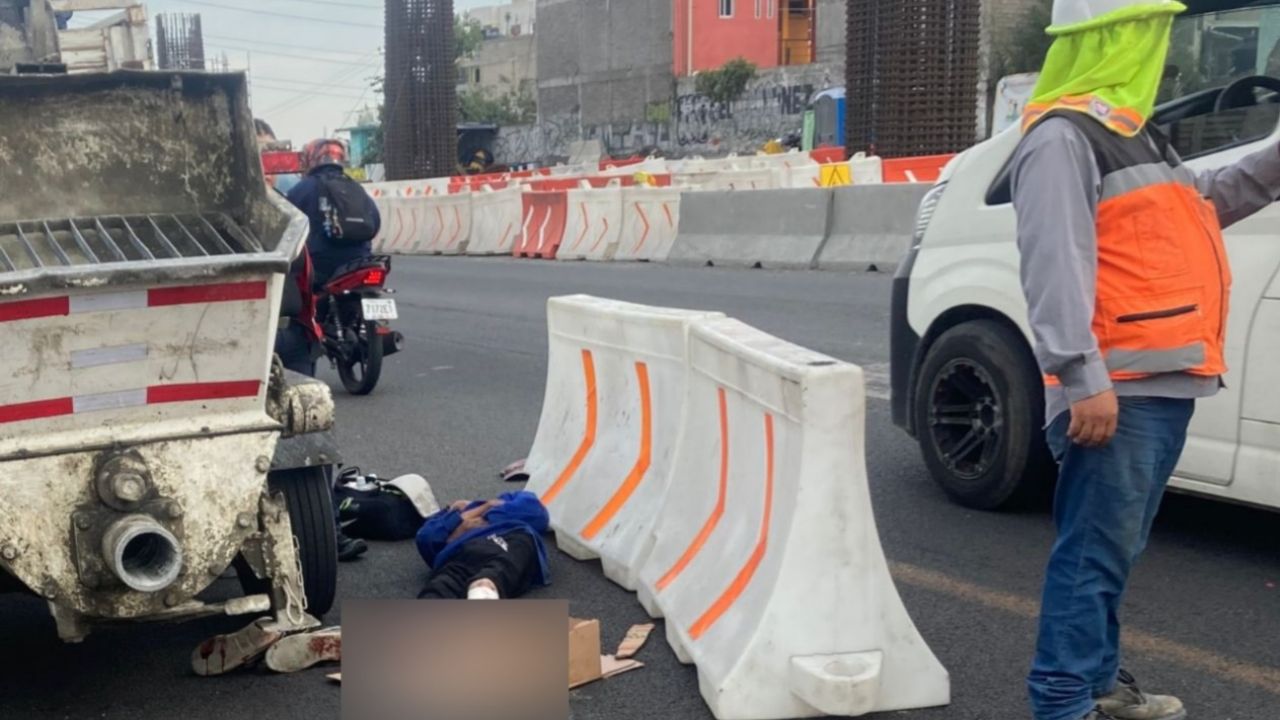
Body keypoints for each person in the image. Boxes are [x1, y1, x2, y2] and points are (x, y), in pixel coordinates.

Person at [1014, 2, 1280, 720]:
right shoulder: (1064, 137)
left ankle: (1097, 686)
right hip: (1118, 388)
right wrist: (1081, 376)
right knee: (1092, 557)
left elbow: (1204, 204)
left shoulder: (1133, 134)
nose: (1163, 52)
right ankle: (1062, 702)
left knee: (1113, 553)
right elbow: (1053, 260)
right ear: (1117, 39)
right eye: (1153, 34)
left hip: (1156, 383)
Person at [416, 492, 549, 600]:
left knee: (497, 572)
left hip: (509, 539)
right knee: (441, 585)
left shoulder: (506, 510)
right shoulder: (450, 516)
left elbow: (536, 513)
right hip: (461, 553)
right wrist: (460, 518)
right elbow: (426, 538)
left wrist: (485, 511)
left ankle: (484, 588)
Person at [286, 138, 381, 287]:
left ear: (312, 159)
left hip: (320, 264)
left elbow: (286, 226)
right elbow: (375, 222)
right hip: (360, 261)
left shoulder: (302, 189)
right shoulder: (355, 187)